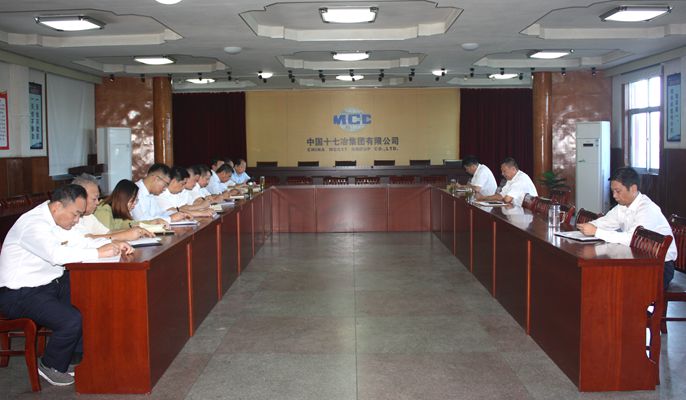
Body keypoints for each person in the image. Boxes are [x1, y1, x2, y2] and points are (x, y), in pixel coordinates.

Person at [0, 185, 132, 386]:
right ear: (57, 207)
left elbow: (80, 241)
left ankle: (77, 356)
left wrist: (111, 246)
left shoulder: (59, 219)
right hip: (19, 293)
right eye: (76, 214)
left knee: (89, 296)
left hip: (49, 284)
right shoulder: (33, 224)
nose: (77, 220)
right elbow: (56, 255)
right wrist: (99, 253)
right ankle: (51, 365)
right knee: (71, 320)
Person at [577, 167, 677, 289]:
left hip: (660, 266)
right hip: (637, 259)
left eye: (618, 191)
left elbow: (632, 239)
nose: (614, 195)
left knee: (613, 282)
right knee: (603, 277)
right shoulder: (622, 206)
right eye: (612, 191)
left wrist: (596, 231)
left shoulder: (647, 209)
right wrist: (588, 226)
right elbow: (606, 222)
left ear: (633, 189)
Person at [71, 174, 154, 241]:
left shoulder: (89, 217)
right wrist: (126, 235)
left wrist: (137, 230)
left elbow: (108, 232)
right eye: (94, 199)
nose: (98, 203)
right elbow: (87, 240)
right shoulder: (72, 218)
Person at [94, 179, 168, 231]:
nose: (134, 204)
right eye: (133, 200)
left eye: (136, 200)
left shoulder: (120, 212)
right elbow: (106, 235)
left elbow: (130, 224)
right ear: (123, 198)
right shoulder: (104, 210)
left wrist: (152, 222)